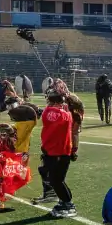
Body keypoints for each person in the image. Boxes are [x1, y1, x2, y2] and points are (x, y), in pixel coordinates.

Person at [38, 89, 77, 217]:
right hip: (59, 151)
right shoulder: (66, 114)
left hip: (56, 152)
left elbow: (51, 115)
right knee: (57, 179)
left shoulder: (50, 112)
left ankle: (68, 204)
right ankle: (64, 201)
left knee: (56, 180)